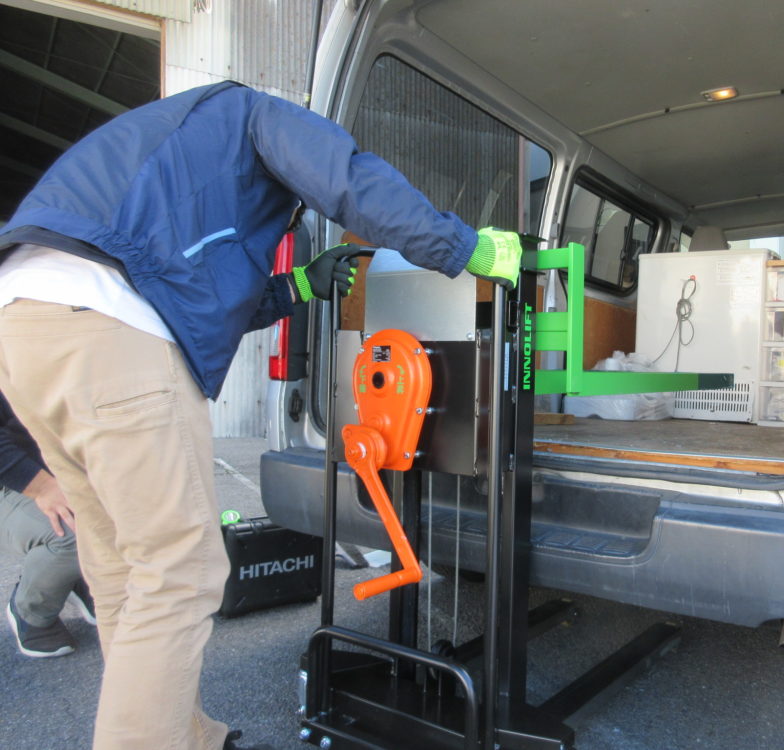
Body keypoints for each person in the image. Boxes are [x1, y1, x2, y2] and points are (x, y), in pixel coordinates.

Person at [0, 80, 521, 750]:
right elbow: (352, 181)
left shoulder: (168, 144)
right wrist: (466, 249)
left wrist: (300, 285)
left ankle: (183, 734)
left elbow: (193, 283)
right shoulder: (259, 114)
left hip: (25, 328)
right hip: (109, 330)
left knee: (124, 569)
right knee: (180, 571)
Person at [1, 390, 96, 657]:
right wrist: (41, 487)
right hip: (11, 481)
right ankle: (30, 611)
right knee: (72, 534)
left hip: (60, 469)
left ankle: (79, 581)